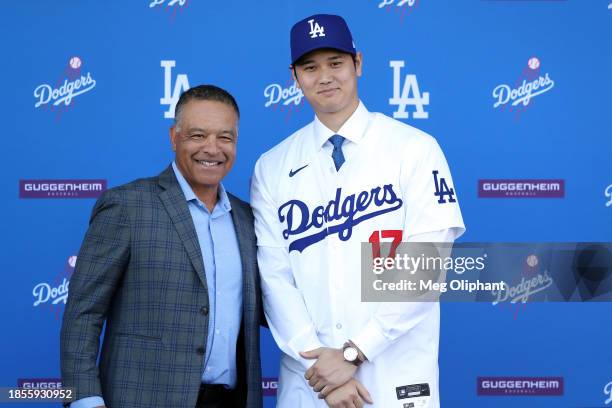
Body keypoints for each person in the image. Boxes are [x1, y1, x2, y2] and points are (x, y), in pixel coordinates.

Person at [250, 14, 465, 408]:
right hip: (310, 382)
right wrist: (321, 367)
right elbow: (275, 277)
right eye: (310, 67)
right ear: (294, 77)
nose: (325, 76)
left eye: (336, 63)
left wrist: (354, 353)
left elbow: (426, 264)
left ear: (358, 63)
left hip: (394, 378)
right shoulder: (272, 165)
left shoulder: (414, 148)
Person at [60, 85, 262, 408]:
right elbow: (83, 314)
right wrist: (85, 400)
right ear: (174, 137)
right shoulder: (126, 207)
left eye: (225, 137)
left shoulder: (247, 219)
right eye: (198, 135)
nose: (212, 149)